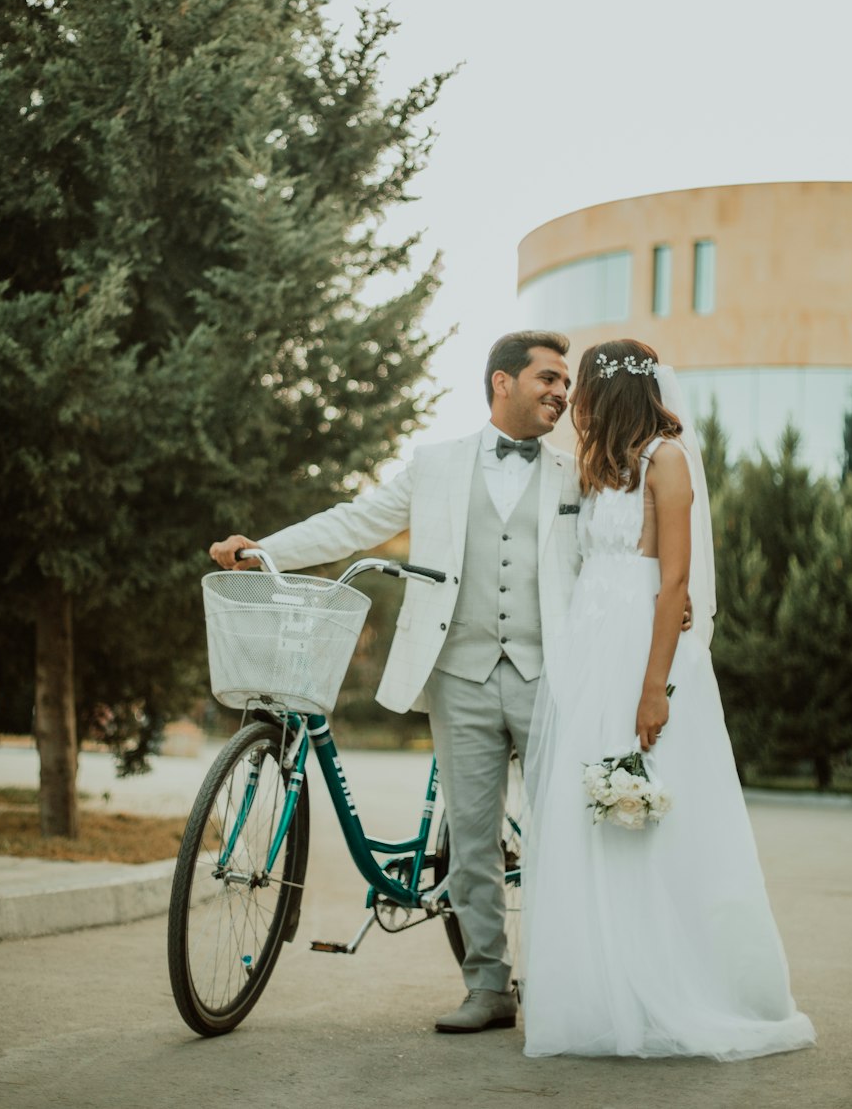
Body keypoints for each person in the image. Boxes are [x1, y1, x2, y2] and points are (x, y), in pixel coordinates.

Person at [210, 331, 581, 1033]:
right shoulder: (436, 464)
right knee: (471, 839)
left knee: (564, 838)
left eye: (567, 382)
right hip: (457, 674)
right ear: (503, 382)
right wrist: (266, 551)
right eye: (550, 377)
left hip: (550, 674)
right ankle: (488, 988)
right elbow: (358, 521)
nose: (563, 391)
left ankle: (567, 983)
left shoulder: (574, 475)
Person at [521, 338, 816, 1060]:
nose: (574, 401)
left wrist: (654, 690)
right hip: (594, 647)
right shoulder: (602, 467)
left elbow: (674, 585)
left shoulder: (667, 459)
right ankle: (602, 988)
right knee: (589, 817)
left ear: (607, 393)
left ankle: (674, 986)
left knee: (654, 813)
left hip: (641, 650)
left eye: (581, 387)